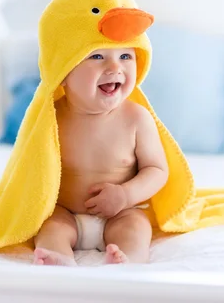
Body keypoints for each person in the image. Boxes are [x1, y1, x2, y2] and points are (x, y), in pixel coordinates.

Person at [33, 46, 168, 266]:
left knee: (136, 227)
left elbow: (157, 170)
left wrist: (125, 195)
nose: (115, 67)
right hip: (64, 212)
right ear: (63, 72)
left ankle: (127, 262)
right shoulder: (50, 117)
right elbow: (28, 166)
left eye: (125, 56)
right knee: (49, 227)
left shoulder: (136, 118)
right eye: (97, 56)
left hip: (121, 213)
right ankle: (57, 260)